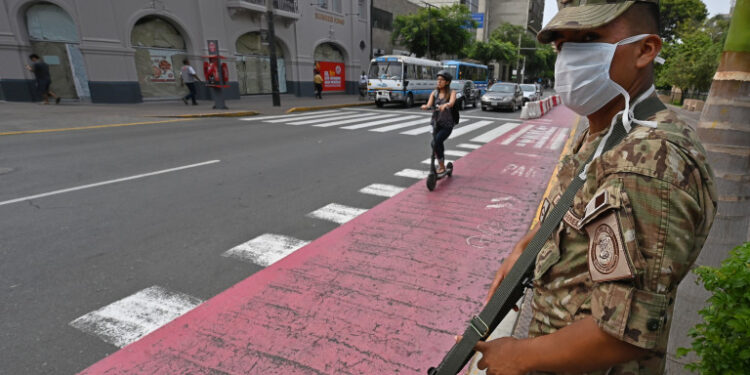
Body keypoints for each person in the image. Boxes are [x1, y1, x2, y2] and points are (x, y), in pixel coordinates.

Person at [466, 1, 717, 374]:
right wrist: (527, 246)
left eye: (589, 38)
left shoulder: (646, 163)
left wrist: (517, 356)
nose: (569, 57)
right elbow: (577, 209)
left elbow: (623, 332)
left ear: (645, 50)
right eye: (562, 45)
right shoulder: (607, 130)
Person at [421, 70, 456, 174]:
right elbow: (429, 104)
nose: (439, 82)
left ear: (447, 82)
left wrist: (446, 105)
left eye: (441, 80)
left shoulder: (451, 92)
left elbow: (452, 102)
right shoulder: (434, 93)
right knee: (438, 144)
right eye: (438, 80)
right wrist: (426, 106)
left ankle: (441, 166)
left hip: (447, 125)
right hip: (436, 124)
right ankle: (442, 165)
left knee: (435, 143)